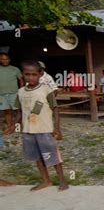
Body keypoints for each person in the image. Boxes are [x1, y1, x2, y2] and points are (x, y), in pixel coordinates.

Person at [5, 60, 68, 191]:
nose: (31, 77)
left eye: (34, 74)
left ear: (40, 74)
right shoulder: (21, 92)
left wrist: (57, 128)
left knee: (53, 156)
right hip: (28, 131)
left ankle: (62, 180)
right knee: (37, 158)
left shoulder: (46, 90)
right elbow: (20, 111)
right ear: (23, 75)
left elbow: (55, 109)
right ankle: (46, 181)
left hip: (45, 129)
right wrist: (14, 125)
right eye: (27, 74)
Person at [0, 52, 24, 130]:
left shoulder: (15, 69)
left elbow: (21, 79)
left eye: (6, 59)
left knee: (18, 110)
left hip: (14, 93)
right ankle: (10, 126)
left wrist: (21, 90)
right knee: (7, 111)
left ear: (9, 60)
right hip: (1, 94)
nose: (4, 61)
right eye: (2, 59)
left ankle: (19, 126)